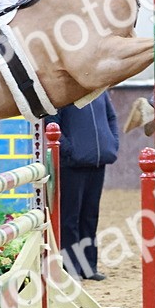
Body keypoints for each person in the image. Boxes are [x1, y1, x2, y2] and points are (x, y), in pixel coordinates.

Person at [47, 91, 120, 281]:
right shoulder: (63, 93)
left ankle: (89, 267)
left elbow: (111, 117)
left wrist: (111, 143)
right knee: (70, 218)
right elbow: (51, 123)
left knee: (90, 216)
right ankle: (71, 267)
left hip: (97, 162)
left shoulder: (100, 91)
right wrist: (70, 151)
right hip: (71, 166)